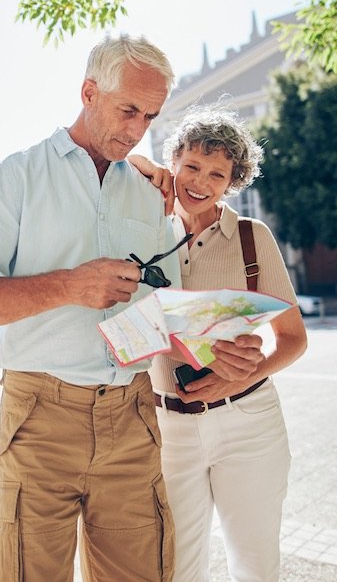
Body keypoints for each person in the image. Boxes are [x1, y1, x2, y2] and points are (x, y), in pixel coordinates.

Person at [0, 37, 264, 582]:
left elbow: (164, 309)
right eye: (128, 110)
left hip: (134, 418)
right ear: (89, 92)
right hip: (40, 417)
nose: (138, 129)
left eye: (151, 116)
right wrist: (70, 285)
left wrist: (220, 349)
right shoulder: (18, 175)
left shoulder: (151, 192)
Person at [130, 105, 307, 582]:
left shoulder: (253, 238)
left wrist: (250, 368)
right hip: (168, 429)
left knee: (255, 563)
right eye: (191, 166)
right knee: (178, 566)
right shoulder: (142, 232)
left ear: (232, 182)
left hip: (249, 423)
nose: (200, 182)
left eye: (217, 174)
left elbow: (293, 339)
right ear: (172, 163)